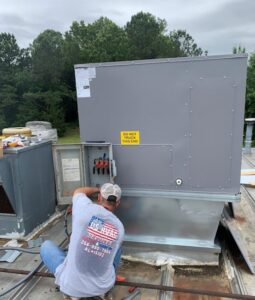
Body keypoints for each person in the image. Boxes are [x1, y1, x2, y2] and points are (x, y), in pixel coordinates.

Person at [40, 183, 124, 300]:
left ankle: (72, 294)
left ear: (99, 197)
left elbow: (79, 191)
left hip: (72, 287)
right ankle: (103, 292)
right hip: (101, 288)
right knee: (117, 248)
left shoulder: (83, 208)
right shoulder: (120, 228)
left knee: (46, 246)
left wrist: (97, 189)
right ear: (118, 203)